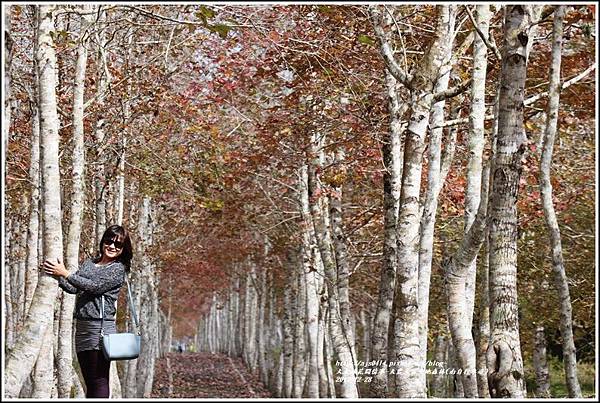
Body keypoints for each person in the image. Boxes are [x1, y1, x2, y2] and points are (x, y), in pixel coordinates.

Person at [43, 225, 133, 398]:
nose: (112, 246)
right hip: (82, 327)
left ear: (123, 249)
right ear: (103, 242)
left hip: (99, 329)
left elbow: (95, 287)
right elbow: (73, 287)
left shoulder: (117, 269)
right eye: (109, 241)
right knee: (90, 381)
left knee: (98, 380)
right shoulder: (90, 263)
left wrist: (66, 273)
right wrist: (56, 274)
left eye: (118, 244)